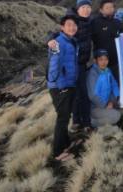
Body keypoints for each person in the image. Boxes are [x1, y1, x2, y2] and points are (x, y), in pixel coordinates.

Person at [48, 0, 93, 133]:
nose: (86, 10)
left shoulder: (90, 22)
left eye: (88, 7)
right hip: (70, 66)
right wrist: (50, 40)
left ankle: (86, 122)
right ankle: (76, 121)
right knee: (74, 94)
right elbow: (55, 33)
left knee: (83, 93)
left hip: (82, 64)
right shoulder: (72, 21)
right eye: (83, 7)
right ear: (78, 9)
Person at [47, 15, 79, 162]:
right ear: (62, 27)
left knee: (65, 116)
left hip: (68, 84)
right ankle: (58, 152)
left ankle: (65, 144)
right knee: (62, 118)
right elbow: (54, 65)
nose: (72, 27)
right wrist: (61, 87)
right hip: (61, 86)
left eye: (74, 25)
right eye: (69, 25)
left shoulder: (70, 41)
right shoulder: (59, 43)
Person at [91, 0, 122, 83]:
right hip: (102, 61)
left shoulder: (117, 22)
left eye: (112, 7)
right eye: (107, 8)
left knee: (117, 82)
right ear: (101, 10)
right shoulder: (95, 22)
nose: (110, 9)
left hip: (116, 60)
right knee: (104, 84)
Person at [87, 49, 121, 127]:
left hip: (108, 101)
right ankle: (92, 122)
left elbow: (114, 85)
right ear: (95, 60)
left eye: (106, 59)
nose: (104, 62)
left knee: (122, 106)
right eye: (101, 60)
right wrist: (105, 105)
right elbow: (93, 95)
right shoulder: (93, 74)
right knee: (116, 116)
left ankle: (110, 112)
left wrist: (117, 97)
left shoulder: (107, 70)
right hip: (96, 107)